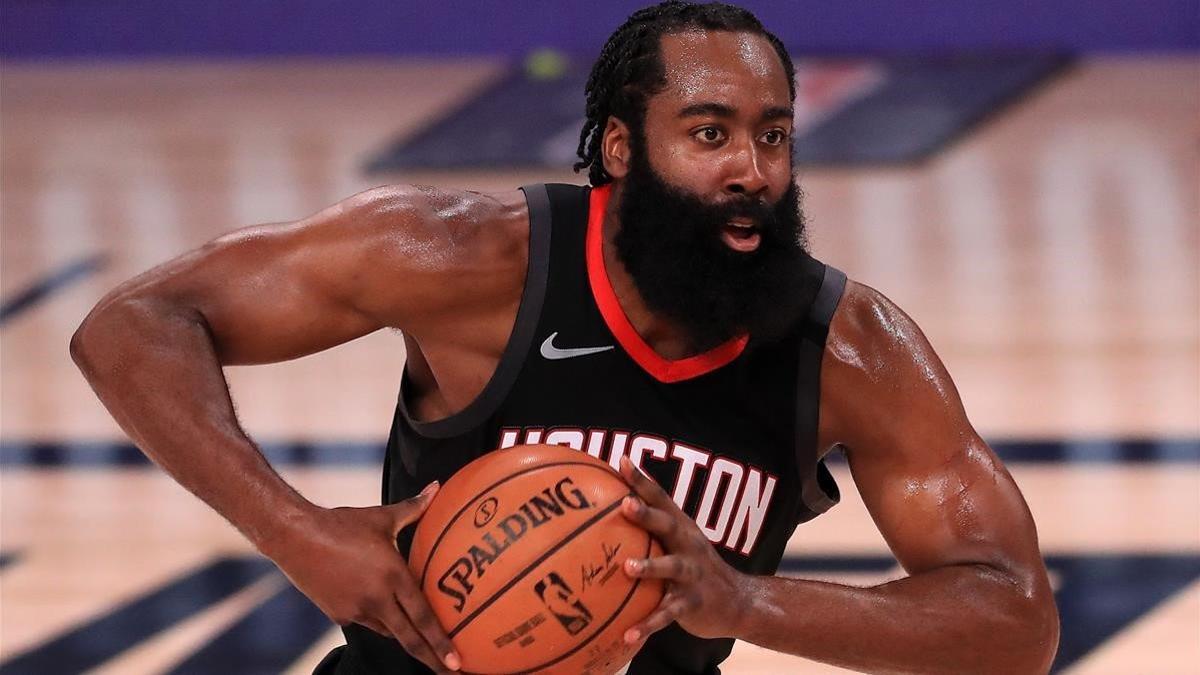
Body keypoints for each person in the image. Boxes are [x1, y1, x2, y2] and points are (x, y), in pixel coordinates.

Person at [70, 2, 1060, 674]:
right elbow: (134, 324)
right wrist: (293, 531)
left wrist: (752, 607)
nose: (753, 168)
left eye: (773, 134)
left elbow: (1016, 619)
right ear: (622, 149)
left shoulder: (850, 349)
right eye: (710, 133)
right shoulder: (464, 259)